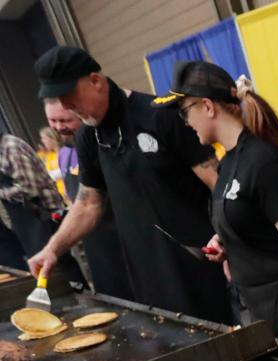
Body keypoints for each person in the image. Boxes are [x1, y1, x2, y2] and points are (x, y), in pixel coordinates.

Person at [28, 46, 233, 324]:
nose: (67, 107)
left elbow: (218, 183)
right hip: (146, 275)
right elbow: (88, 203)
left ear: (95, 81)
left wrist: (231, 241)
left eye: (70, 96)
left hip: (199, 266)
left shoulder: (159, 116)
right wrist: (53, 248)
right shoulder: (89, 136)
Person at [162, 61, 278, 361]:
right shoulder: (228, 163)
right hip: (257, 302)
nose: (185, 121)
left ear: (207, 106)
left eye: (184, 111)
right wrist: (224, 243)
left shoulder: (263, 161)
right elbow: (247, 217)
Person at [44, 97, 135, 299]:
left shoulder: (107, 145)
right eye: (53, 121)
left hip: (125, 245)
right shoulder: (65, 153)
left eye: (64, 120)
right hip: (97, 248)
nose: (59, 127)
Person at [0, 131, 85, 284]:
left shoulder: (10, 148)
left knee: (60, 266)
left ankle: (81, 295)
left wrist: (1, 193)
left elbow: (29, 189)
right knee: (42, 269)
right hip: (25, 222)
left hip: (43, 216)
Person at [36, 126, 66, 198]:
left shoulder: (65, 152)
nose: (42, 141)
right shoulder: (49, 156)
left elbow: (69, 170)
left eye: (44, 138)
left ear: (53, 138)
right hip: (59, 195)